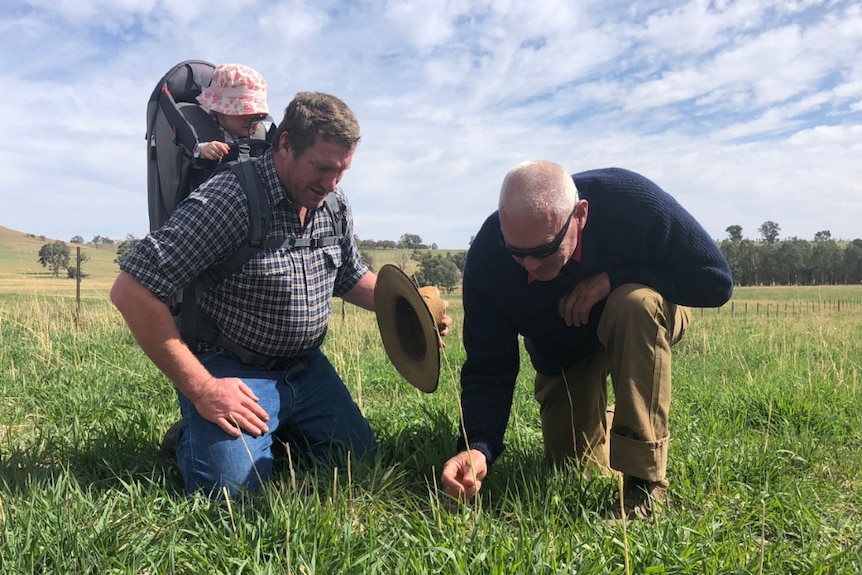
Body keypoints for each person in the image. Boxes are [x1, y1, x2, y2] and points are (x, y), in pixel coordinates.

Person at [112, 91, 449, 496]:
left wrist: (411, 310)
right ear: (285, 144)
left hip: (306, 369)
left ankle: (273, 428)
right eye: (322, 168)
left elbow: (350, 277)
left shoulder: (333, 204)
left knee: (359, 463)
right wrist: (203, 389)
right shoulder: (229, 199)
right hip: (233, 368)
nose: (331, 183)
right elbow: (131, 290)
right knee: (233, 495)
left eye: (342, 171)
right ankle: (192, 434)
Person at [440, 160, 732, 520]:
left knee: (634, 304)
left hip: (642, 318)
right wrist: (478, 447)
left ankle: (643, 483)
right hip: (565, 351)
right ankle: (619, 418)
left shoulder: (630, 201)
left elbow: (716, 280)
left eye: (544, 250)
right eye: (517, 251)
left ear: (580, 214)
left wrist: (615, 278)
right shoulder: (489, 257)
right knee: (572, 466)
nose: (529, 265)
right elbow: (488, 365)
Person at [193, 63, 270, 162]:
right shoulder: (199, 125)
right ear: (220, 111)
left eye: (257, 115)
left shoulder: (263, 137)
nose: (250, 120)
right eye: (242, 113)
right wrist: (202, 150)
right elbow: (189, 148)